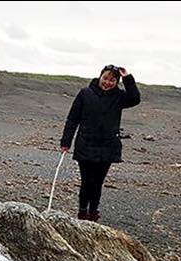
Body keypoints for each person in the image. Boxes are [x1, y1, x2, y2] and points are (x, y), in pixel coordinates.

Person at [60, 64, 141, 221]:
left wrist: (127, 78)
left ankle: (93, 211)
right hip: (86, 144)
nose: (107, 82)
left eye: (112, 80)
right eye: (105, 78)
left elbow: (135, 99)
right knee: (86, 182)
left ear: (116, 82)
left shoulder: (119, 97)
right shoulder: (85, 93)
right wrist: (66, 141)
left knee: (97, 183)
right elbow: (72, 119)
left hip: (108, 146)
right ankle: (82, 211)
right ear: (99, 76)